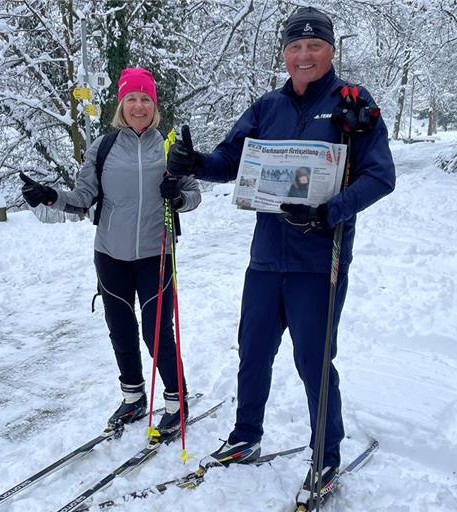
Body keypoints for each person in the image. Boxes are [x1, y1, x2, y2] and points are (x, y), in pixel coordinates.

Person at [167, 7, 395, 491]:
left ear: (331, 50)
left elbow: (380, 176)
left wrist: (328, 212)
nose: (303, 55)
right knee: (253, 352)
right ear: (285, 53)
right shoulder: (267, 107)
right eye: (295, 47)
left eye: (314, 45)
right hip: (267, 258)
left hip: (319, 260)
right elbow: (230, 159)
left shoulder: (352, 103)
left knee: (313, 361)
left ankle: (326, 455)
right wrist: (195, 163)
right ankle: (245, 436)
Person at [20, 67, 201, 436]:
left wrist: (179, 198)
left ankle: (176, 400)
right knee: (120, 329)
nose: (139, 106)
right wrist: (50, 196)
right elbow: (83, 197)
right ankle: (133, 397)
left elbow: (194, 194)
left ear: (155, 105)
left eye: (146, 99)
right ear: (121, 105)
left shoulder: (170, 148)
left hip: (156, 253)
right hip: (109, 254)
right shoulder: (102, 148)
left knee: (156, 332)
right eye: (131, 98)